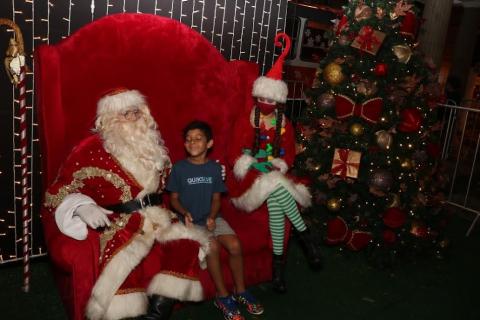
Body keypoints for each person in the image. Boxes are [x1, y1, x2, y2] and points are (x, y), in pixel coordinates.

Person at [44, 88, 210, 320]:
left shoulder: (153, 146)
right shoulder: (90, 149)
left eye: (136, 112)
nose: (133, 118)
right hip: (121, 222)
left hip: (159, 216)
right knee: (125, 258)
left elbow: (173, 182)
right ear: (109, 119)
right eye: (126, 114)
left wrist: (205, 169)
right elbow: (58, 191)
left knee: (188, 243)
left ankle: (156, 314)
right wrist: (82, 206)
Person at [226, 33, 322, 293]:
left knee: (278, 202)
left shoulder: (284, 124)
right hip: (245, 180)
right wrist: (252, 164)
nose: (267, 104)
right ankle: (306, 237)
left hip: (272, 175)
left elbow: (288, 154)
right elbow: (233, 151)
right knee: (278, 188)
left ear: (278, 101)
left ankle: (277, 276)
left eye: (272, 100)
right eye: (263, 99)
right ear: (257, 96)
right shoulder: (246, 119)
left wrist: (279, 163)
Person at [167, 120, 264, 320]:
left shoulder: (213, 168)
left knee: (235, 245)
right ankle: (222, 296)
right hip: (190, 222)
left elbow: (217, 199)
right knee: (212, 247)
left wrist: (212, 217)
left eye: (198, 138)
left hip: (212, 217)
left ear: (209, 143)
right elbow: (173, 198)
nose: (192, 142)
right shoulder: (179, 169)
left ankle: (241, 290)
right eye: (188, 139)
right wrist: (184, 212)